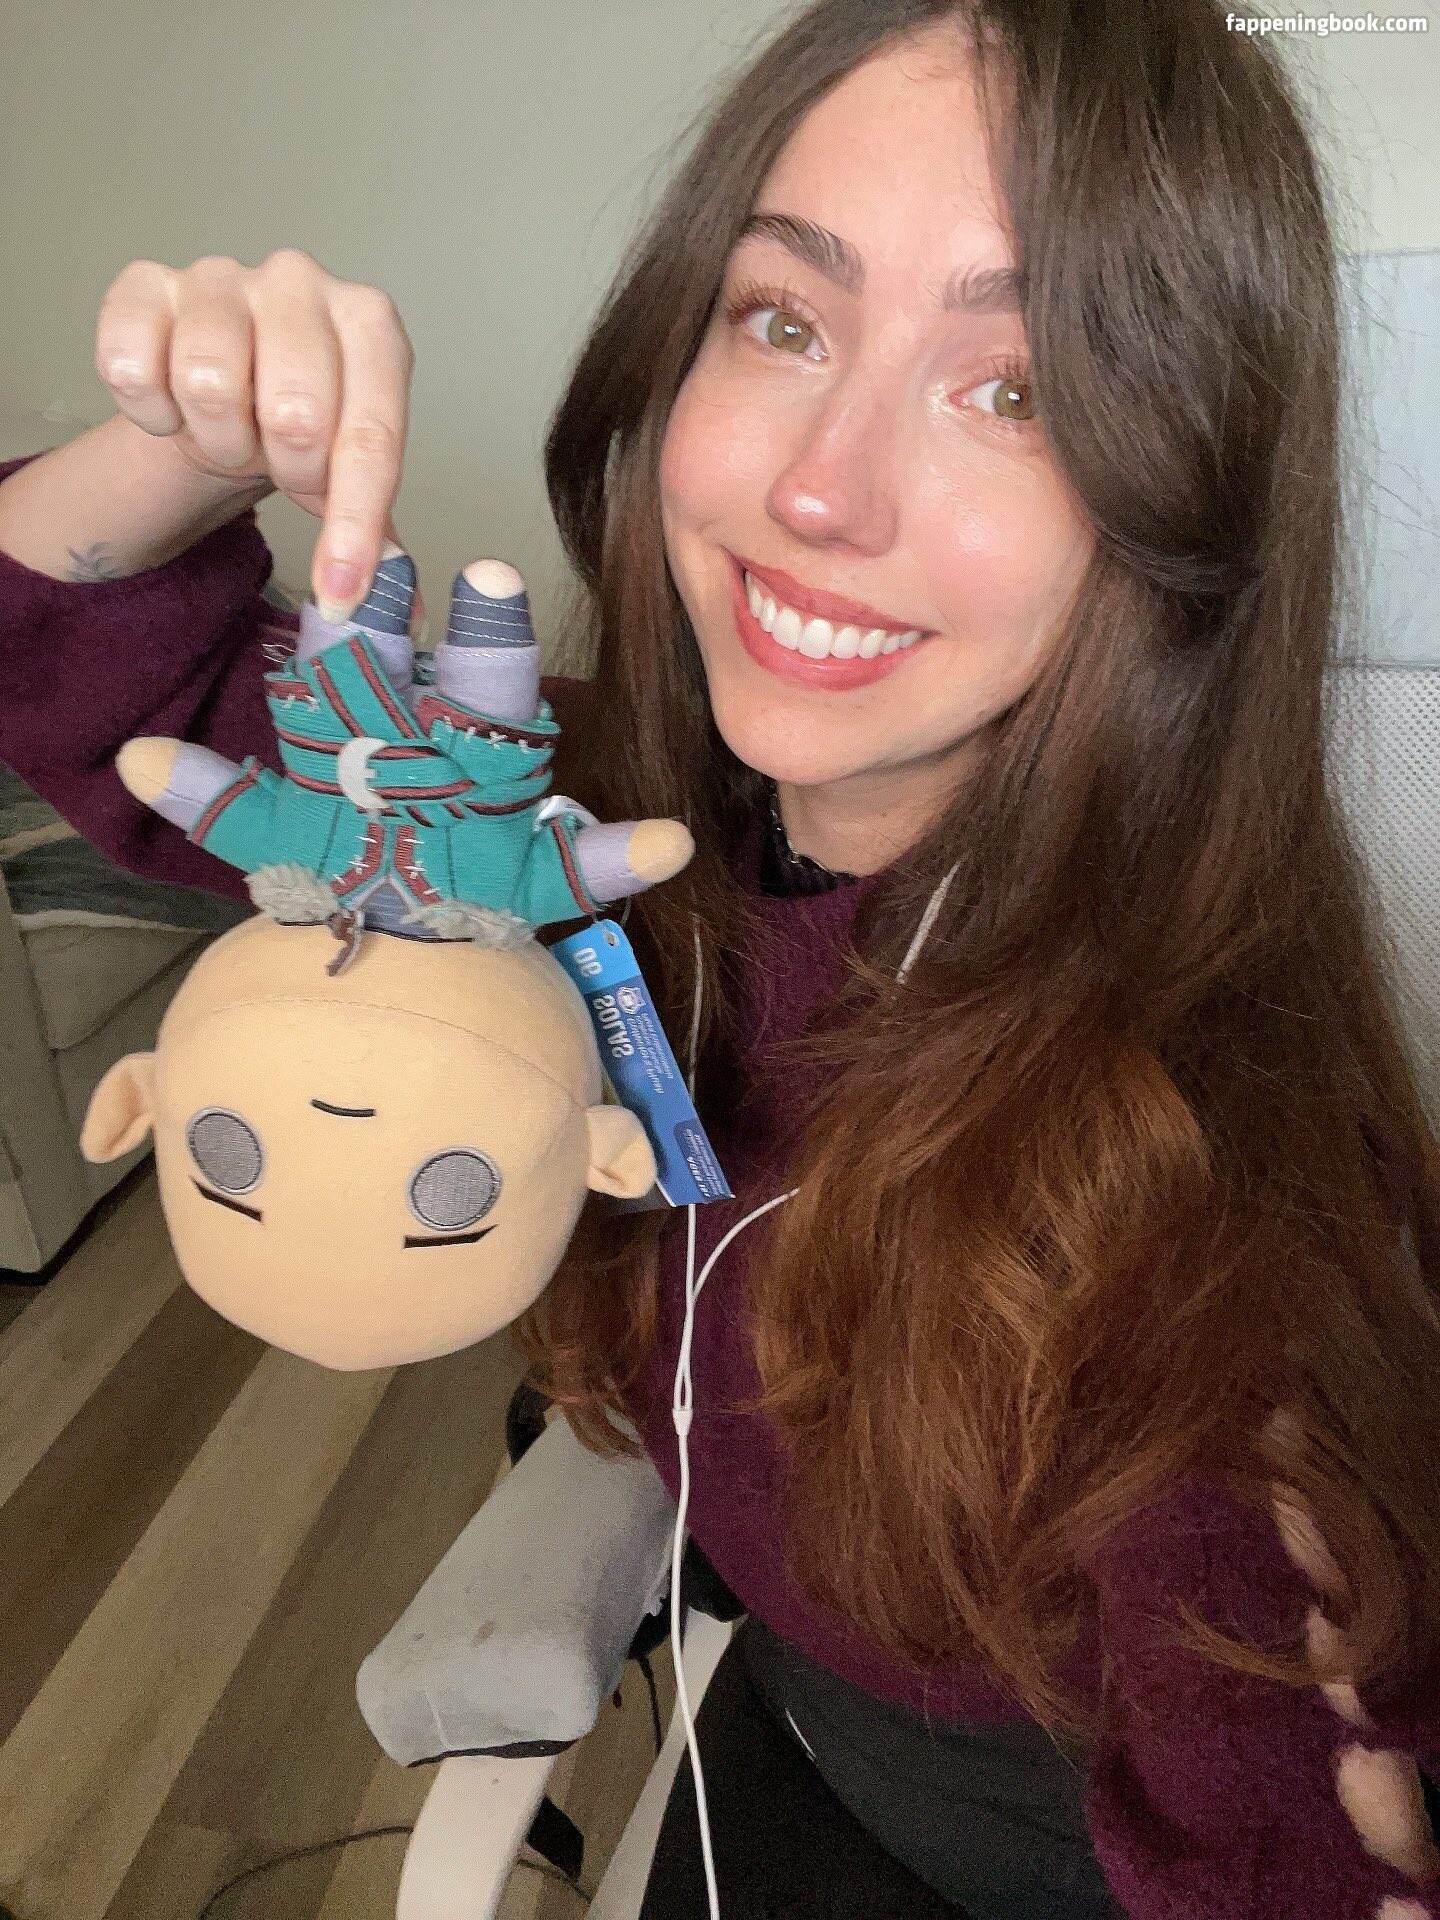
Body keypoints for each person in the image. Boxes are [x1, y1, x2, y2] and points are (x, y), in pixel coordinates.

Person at [2, 0, 1439, 1913]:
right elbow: (107, 683)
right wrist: (188, 449)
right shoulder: (572, 839)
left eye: (1016, 391)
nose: (821, 491)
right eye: (784, 318)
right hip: (769, 1700)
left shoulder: (1211, 1208)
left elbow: (1302, 1838)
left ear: (1180, 511)